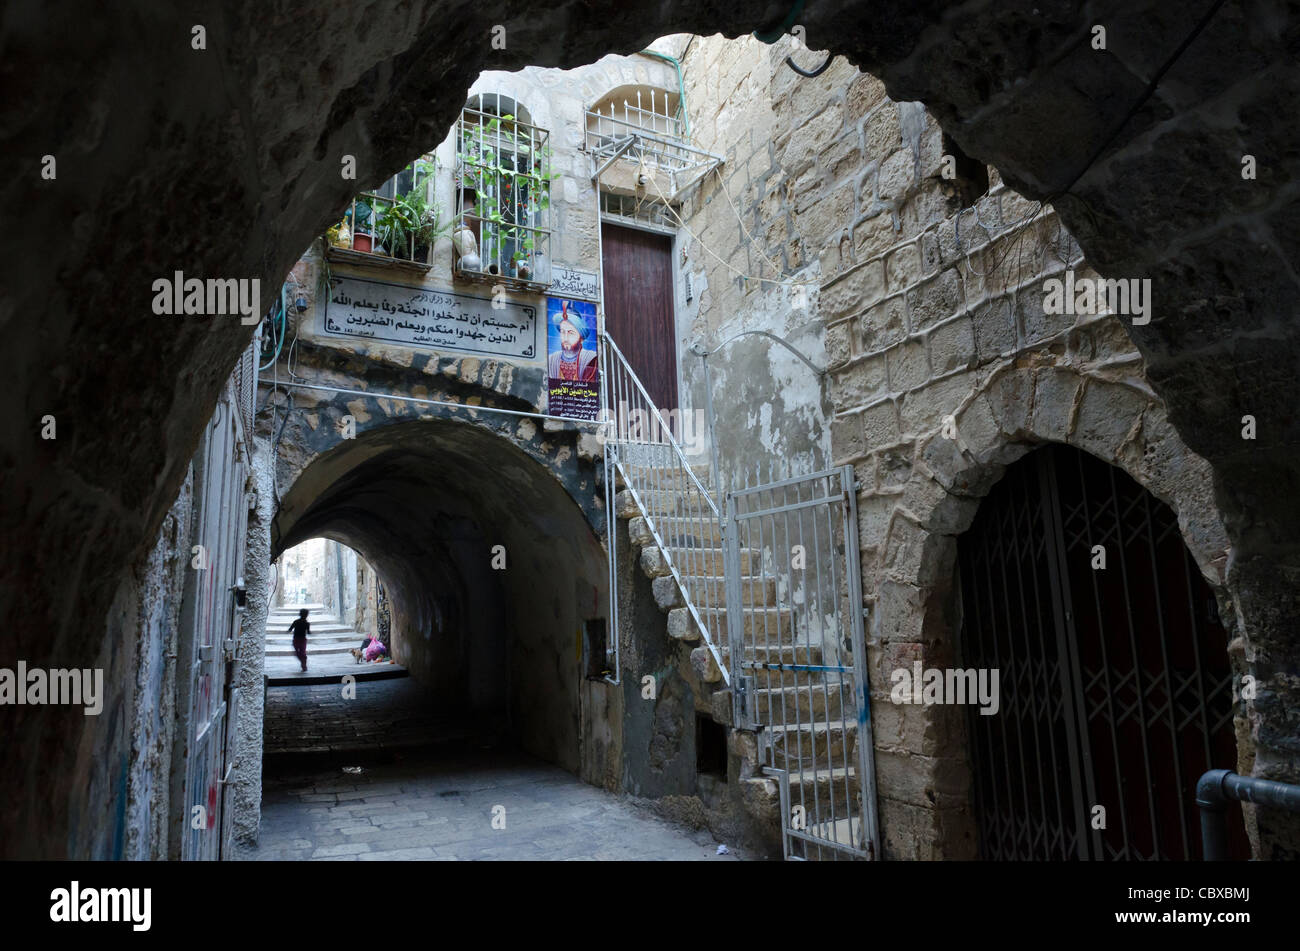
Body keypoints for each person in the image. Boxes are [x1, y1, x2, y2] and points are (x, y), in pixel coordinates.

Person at [547, 301, 597, 382]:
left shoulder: (590, 359)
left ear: (581, 338)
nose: (565, 338)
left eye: (571, 333)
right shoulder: (551, 359)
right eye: (563, 332)